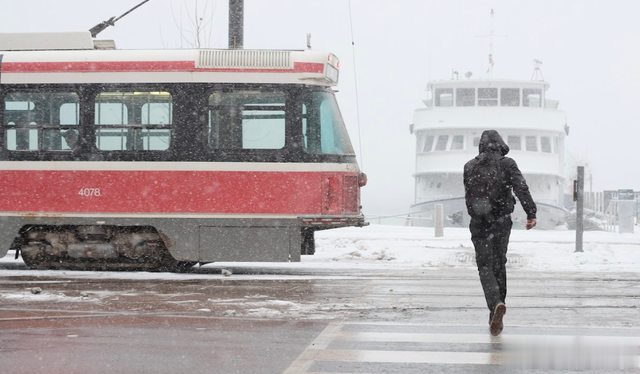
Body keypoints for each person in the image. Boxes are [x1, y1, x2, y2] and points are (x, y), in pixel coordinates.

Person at [463, 130, 537, 336]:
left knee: (485, 266)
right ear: (500, 144)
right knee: (498, 263)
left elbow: (468, 195)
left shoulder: (469, 166)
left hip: (479, 222)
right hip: (501, 222)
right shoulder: (508, 164)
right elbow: (521, 188)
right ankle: (497, 308)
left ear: (481, 145)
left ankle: (495, 305)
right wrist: (531, 212)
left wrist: (479, 212)